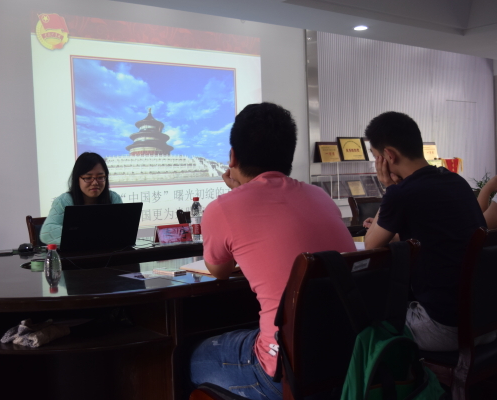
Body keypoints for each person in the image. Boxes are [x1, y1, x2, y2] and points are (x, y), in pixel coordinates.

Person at [189, 103, 356, 400]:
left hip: (284, 372)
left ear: (232, 156)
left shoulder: (222, 209)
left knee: (194, 356)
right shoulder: (320, 196)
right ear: (289, 155)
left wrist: (236, 196)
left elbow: (220, 270)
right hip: (346, 360)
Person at [363, 111, 493, 351]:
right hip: (487, 321)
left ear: (389, 155)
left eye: (375, 157)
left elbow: (370, 245)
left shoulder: (401, 193)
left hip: (446, 328)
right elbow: (436, 235)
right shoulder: (456, 182)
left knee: (365, 323)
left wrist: (389, 188)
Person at [40, 152, 122, 245]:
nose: (95, 182)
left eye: (100, 177)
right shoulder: (63, 201)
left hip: (108, 252)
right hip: (76, 254)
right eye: (88, 178)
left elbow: (125, 229)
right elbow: (46, 233)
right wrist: (93, 235)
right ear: (77, 179)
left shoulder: (113, 198)